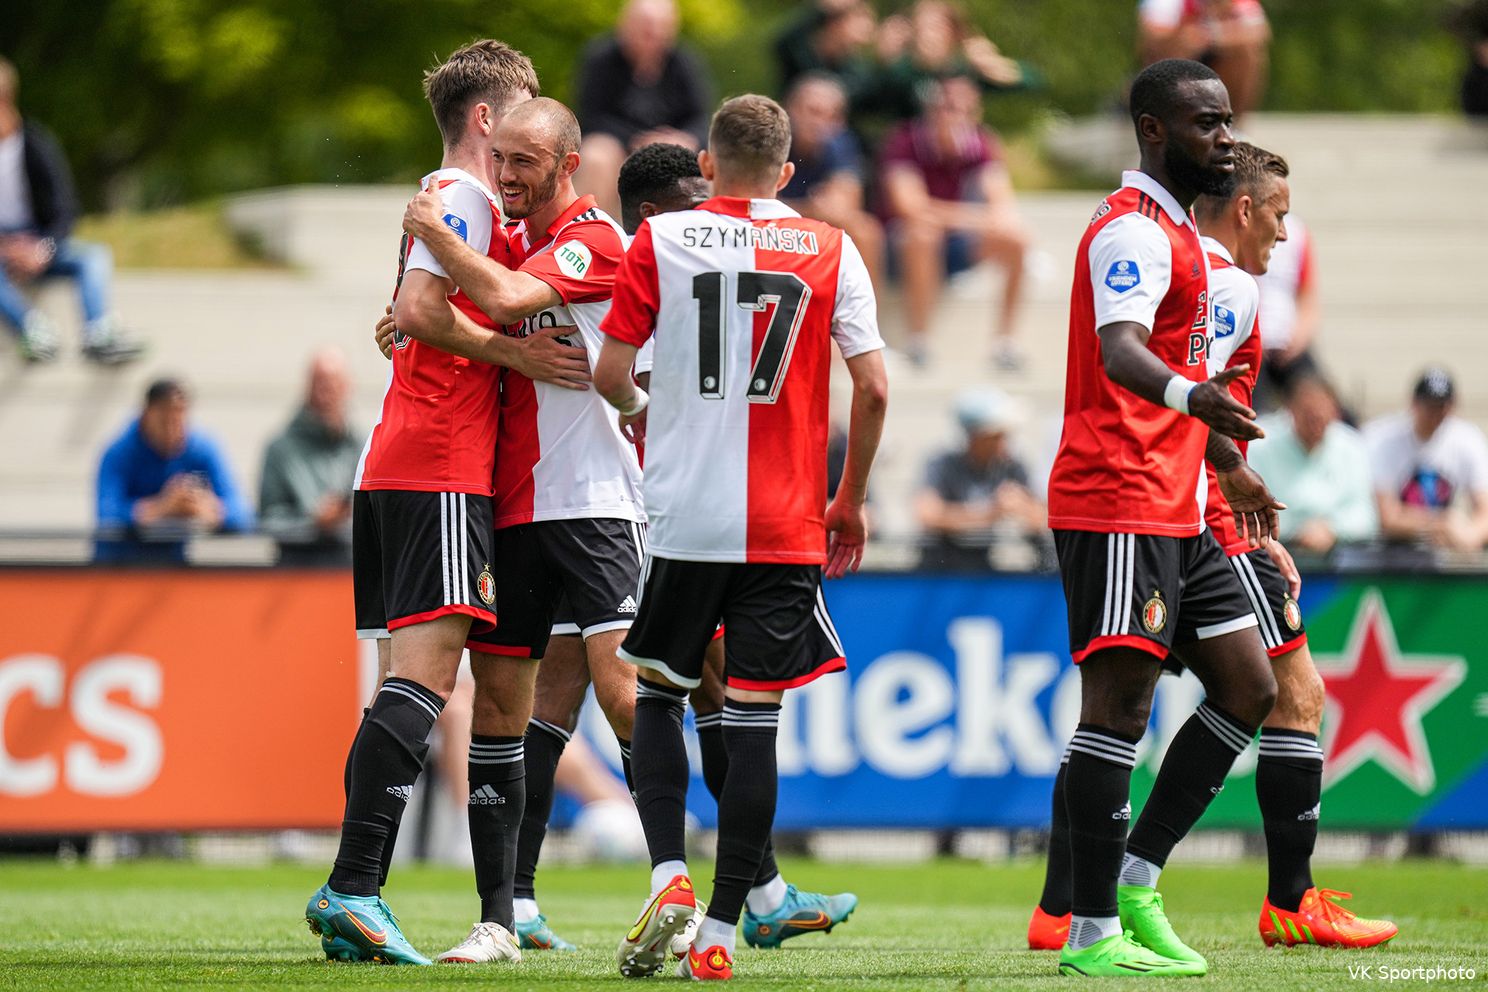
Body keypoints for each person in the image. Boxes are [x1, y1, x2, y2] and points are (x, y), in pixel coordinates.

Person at [1031, 141, 1397, 956]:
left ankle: (1083, 901)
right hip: (1167, 514)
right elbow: (1184, 406)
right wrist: (1238, 519)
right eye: (1277, 216)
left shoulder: (1209, 275)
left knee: (1231, 691)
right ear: (1241, 209)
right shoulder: (1210, 279)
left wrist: (1238, 487)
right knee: (1254, 695)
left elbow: (1212, 424)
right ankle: (1237, 900)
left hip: (1198, 516)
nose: (1284, 235)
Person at [493, 141, 857, 954]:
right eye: (695, 202)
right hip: (630, 509)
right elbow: (640, 384)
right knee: (665, 691)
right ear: (659, 213)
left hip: (544, 501)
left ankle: (516, 901)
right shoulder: (641, 261)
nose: (711, 219)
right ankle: (719, 884)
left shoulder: (561, 251)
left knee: (554, 701)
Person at [595, 94, 888, 980]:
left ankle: (671, 874)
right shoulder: (832, 246)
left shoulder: (661, 240)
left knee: (660, 696)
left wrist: (650, 418)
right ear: (789, 173)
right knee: (755, 721)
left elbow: (612, 371)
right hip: (787, 523)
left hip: (687, 516)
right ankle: (724, 931)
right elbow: (873, 389)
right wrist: (850, 500)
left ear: (710, 166)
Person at [395, 96, 658, 964]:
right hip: (509, 509)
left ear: (566, 165)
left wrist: (433, 233)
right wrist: (414, 308)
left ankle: (688, 886)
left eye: (523, 163)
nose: (504, 176)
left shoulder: (594, 238)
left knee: (629, 695)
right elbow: (456, 309)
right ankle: (500, 918)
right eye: (497, 159)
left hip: (593, 504)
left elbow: (503, 296)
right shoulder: (511, 240)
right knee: (503, 713)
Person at [1042, 59, 1290, 978]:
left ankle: (1137, 877)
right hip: (1117, 497)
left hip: (1177, 501)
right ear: (1153, 130)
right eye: (1206, 123)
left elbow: (1178, 380)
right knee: (1118, 708)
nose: (1225, 137)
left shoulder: (1181, 233)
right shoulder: (1131, 233)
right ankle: (1089, 929)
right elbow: (1121, 354)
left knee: (1248, 686)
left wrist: (1230, 469)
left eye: (1226, 122)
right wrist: (1196, 400)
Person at [302, 40, 543, 968]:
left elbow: (411, 310)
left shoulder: (444, 198)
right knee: (428, 681)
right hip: (439, 462)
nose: (527, 126)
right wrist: (519, 353)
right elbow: (421, 309)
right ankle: (356, 887)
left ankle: (356, 891)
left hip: (404, 458)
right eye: (519, 109)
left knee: (407, 680)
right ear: (486, 119)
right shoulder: (466, 198)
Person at [879, 75, 1031, 369]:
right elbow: (910, 208)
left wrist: (970, 218)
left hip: (955, 243)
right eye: (948, 107)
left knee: (1017, 240)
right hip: (901, 249)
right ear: (932, 109)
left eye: (965, 109)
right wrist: (977, 218)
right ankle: (918, 340)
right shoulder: (905, 141)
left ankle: (1004, 342)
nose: (955, 115)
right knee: (922, 234)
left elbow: (1002, 206)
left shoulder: (981, 143)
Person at [0, 57, 142, 364]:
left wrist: (43, 249)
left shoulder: (36, 144)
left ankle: (98, 333)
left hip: (41, 241)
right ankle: (32, 329)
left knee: (93, 256)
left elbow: (65, 211)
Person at [572, 0, 713, 220]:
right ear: (625, 25)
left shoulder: (684, 63)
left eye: (659, 27)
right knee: (596, 154)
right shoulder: (601, 59)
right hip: (618, 147)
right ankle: (592, 231)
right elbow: (591, 117)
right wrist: (638, 140)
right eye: (645, 27)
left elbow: (700, 118)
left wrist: (685, 138)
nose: (653, 34)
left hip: (670, 149)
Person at [94, 377, 252, 563]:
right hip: (120, 568)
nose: (171, 432)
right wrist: (160, 507)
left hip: (177, 569)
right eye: (163, 422)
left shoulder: (203, 449)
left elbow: (243, 514)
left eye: (178, 422)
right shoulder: (118, 452)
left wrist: (209, 509)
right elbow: (107, 516)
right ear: (146, 414)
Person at [915, 388, 1045, 570]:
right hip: (940, 572)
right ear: (977, 437)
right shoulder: (942, 463)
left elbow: (1043, 520)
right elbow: (927, 514)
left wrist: (1023, 508)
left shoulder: (1013, 465)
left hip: (986, 572)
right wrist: (990, 513)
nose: (1005, 441)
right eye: (997, 435)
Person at [1247, 375, 1377, 553]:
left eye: (1322, 418)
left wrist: (1331, 529)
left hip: (1341, 557)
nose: (1316, 425)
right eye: (1309, 416)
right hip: (1272, 551)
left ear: (1335, 412)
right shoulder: (1259, 444)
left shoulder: (1351, 446)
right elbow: (1249, 510)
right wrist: (1298, 530)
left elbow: (1365, 516)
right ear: (1290, 410)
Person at [1364, 368, 1488, 552]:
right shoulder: (1384, 439)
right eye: (1429, 406)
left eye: (1441, 406)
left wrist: (1470, 536)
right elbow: (1388, 517)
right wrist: (1442, 523)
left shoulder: (1468, 440)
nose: (1435, 414)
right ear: (1414, 404)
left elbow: (1484, 510)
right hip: (1391, 553)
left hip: (1445, 551)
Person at [258, 348, 362, 566]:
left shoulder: (362, 446)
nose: (328, 392)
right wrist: (313, 523)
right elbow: (267, 520)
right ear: (308, 388)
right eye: (321, 383)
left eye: (334, 384)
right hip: (297, 574)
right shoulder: (280, 449)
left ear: (348, 387)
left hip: (352, 572)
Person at [781, 74, 885, 292]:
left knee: (866, 231)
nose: (820, 122)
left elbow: (844, 206)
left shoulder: (842, 143)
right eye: (813, 111)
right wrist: (811, 207)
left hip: (814, 228)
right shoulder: (769, 139)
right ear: (790, 110)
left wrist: (787, 206)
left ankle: (865, 319)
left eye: (831, 116)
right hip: (769, 230)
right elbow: (751, 202)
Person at [863, 1, 1036, 123]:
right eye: (921, 26)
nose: (927, 34)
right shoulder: (903, 69)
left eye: (935, 27)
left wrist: (992, 64)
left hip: (957, 151)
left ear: (953, 33)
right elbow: (872, 102)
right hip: (913, 153)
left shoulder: (964, 68)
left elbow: (1033, 80)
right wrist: (884, 62)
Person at [1137, 0, 1270, 123]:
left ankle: (1231, 125)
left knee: (1247, 53)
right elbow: (1152, 37)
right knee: (1174, 47)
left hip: (1216, 58)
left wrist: (1208, 36)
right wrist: (1185, 37)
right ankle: (1170, 119)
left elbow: (1260, 32)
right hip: (1179, 59)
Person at [1251, 212, 1318, 410]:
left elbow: (1308, 297)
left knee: (1319, 397)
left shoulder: (1297, 233)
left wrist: (1298, 339)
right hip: (1253, 340)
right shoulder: (1245, 227)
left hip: (1288, 342)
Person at [772, 0, 879, 108]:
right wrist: (819, 9)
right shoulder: (800, 49)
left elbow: (866, 90)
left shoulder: (852, 69)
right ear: (834, 23)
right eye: (858, 28)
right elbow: (783, 41)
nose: (862, 39)